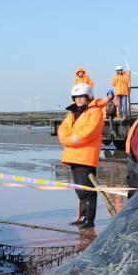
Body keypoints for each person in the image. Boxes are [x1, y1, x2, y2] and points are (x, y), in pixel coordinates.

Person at [58, 83, 106, 229]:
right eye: (76, 97)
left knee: (88, 191)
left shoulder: (95, 112)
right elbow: (62, 129)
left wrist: (70, 140)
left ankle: (89, 220)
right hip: (73, 156)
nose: (78, 100)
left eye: (81, 97)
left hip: (86, 156)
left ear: (88, 97)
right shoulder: (72, 113)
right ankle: (82, 217)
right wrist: (67, 139)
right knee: (79, 190)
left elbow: (89, 132)